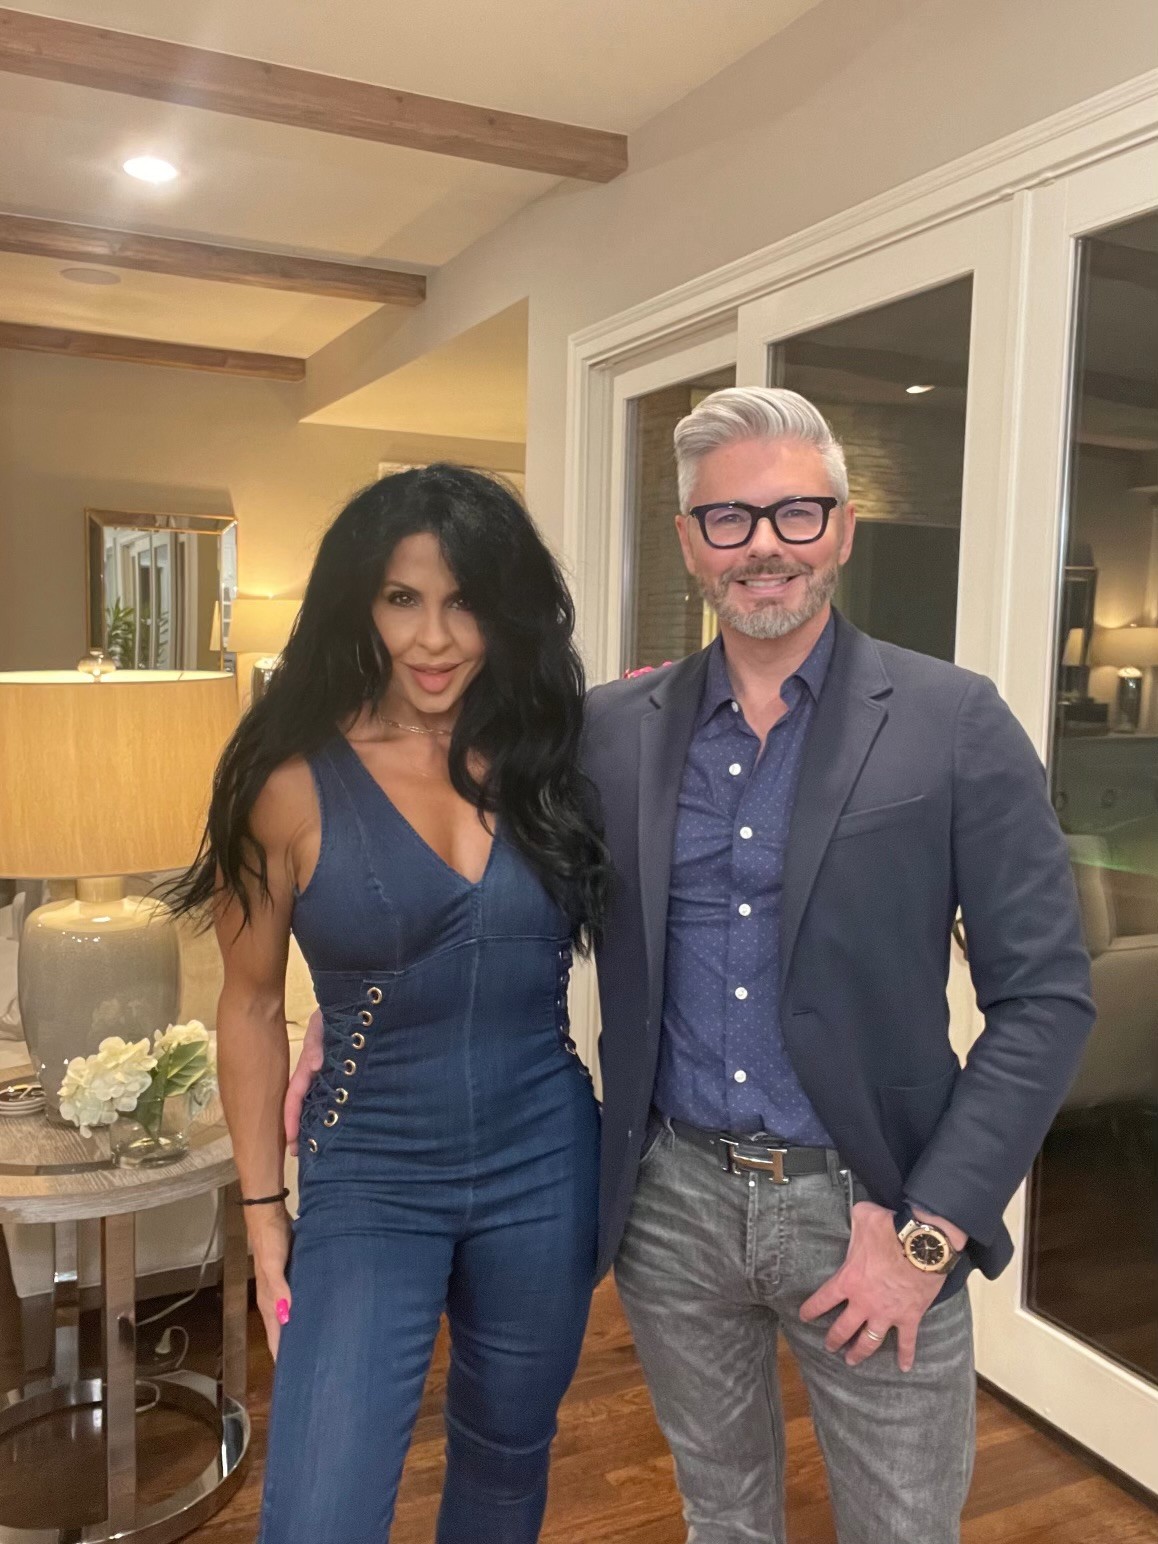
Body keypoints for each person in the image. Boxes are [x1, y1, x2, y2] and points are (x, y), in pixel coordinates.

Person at [579, 387, 1095, 1543]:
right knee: (722, 1516)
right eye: (729, 517)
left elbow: (1046, 999)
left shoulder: (953, 720)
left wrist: (930, 1229)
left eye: (796, 512)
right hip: (673, 1202)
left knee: (903, 1528)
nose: (764, 543)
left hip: (873, 1204)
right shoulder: (615, 728)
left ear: (844, 528)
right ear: (690, 542)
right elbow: (508, 900)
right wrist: (356, 1011)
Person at [170, 465, 607, 1544]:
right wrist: (262, 1214)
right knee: (319, 1508)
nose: (436, 637)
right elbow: (249, 1004)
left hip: (547, 1159)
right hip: (373, 1170)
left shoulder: (554, 753)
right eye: (402, 598)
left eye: (465, 600)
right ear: (357, 604)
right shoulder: (287, 779)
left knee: (507, 1458)